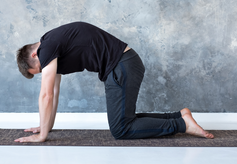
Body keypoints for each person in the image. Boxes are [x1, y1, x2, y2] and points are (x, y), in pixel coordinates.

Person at [14, 21, 213, 142]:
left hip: (122, 66)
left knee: (121, 129)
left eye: (40, 69)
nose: (45, 72)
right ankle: (179, 116)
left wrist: (41, 137)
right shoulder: (51, 42)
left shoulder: (47, 48)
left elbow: (46, 94)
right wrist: (45, 126)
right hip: (123, 65)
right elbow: (54, 92)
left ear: (34, 54)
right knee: (125, 120)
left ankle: (182, 125)